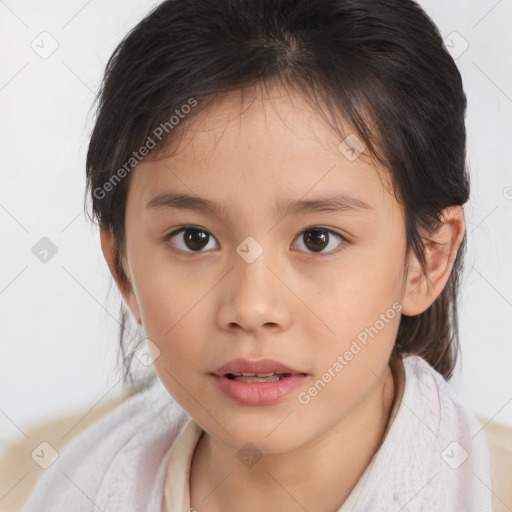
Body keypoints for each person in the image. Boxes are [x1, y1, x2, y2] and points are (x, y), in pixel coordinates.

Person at [21, 0, 494, 510]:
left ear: (427, 257)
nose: (251, 308)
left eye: (318, 238)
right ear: (124, 268)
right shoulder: (45, 484)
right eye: (194, 238)